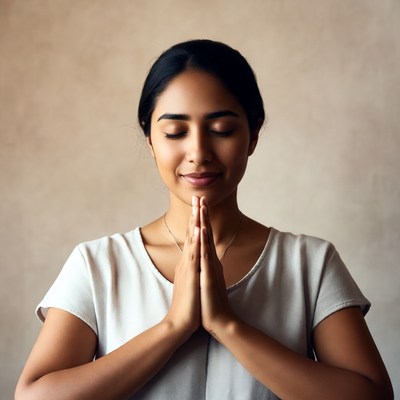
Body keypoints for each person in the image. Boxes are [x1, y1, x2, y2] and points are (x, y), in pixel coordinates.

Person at [15, 39, 393, 400]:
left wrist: (228, 325)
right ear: (150, 139)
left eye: (221, 130)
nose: (198, 152)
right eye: (175, 132)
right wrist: (173, 327)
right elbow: (34, 395)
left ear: (253, 134)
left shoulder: (310, 263)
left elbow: (372, 395)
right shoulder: (97, 264)